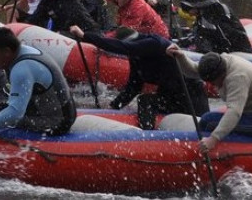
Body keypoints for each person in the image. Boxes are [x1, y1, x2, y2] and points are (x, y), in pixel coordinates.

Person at [69, 25, 207, 129]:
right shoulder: (136, 57)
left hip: (191, 96)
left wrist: (85, 36)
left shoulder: (154, 43)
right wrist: (114, 107)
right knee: (145, 99)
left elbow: (123, 47)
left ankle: (148, 138)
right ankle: (148, 132)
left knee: (145, 100)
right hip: (170, 96)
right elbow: (133, 86)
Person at [0, 24, 77, 136]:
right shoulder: (14, 52)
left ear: (6, 51)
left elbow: (15, 114)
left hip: (57, 122)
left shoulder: (22, 69)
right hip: (48, 109)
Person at [166, 48, 252, 152]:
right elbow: (194, 71)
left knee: (208, 123)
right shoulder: (220, 62)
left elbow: (234, 112)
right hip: (251, 113)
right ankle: (202, 145)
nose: (213, 85)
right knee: (207, 119)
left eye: (213, 82)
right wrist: (181, 57)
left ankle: (204, 152)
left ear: (221, 75)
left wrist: (213, 139)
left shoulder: (237, 77)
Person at [176, 0, 252, 53]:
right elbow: (199, 34)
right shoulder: (203, 17)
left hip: (238, 50)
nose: (190, 14)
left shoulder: (217, 10)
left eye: (189, 10)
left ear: (195, 6)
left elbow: (208, 34)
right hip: (228, 50)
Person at [95, 0, 169, 38]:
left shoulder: (137, 7)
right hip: (146, 33)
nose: (116, 0)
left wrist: (103, 38)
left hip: (158, 37)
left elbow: (125, 32)